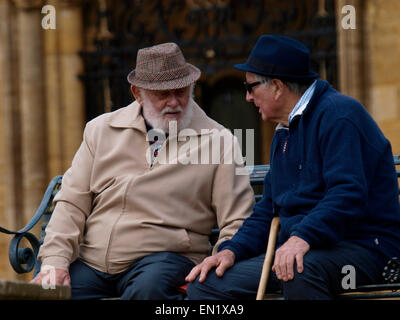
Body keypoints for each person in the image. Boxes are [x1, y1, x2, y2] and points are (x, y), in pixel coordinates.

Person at [30, 42, 254, 299]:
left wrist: (222, 255)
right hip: (94, 262)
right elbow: (72, 203)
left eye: (181, 91)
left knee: (147, 291)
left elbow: (237, 220)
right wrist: (55, 262)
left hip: (165, 259)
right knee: (48, 294)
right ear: (138, 93)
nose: (174, 102)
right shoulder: (101, 129)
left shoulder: (220, 140)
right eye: (162, 94)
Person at [185, 35, 400, 300]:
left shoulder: (340, 115)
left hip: (364, 246)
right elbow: (268, 210)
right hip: (303, 248)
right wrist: (231, 251)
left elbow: (347, 195)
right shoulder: (285, 129)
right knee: (205, 284)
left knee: (299, 270)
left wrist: (301, 238)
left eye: (251, 87)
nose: (248, 97)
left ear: (276, 86)